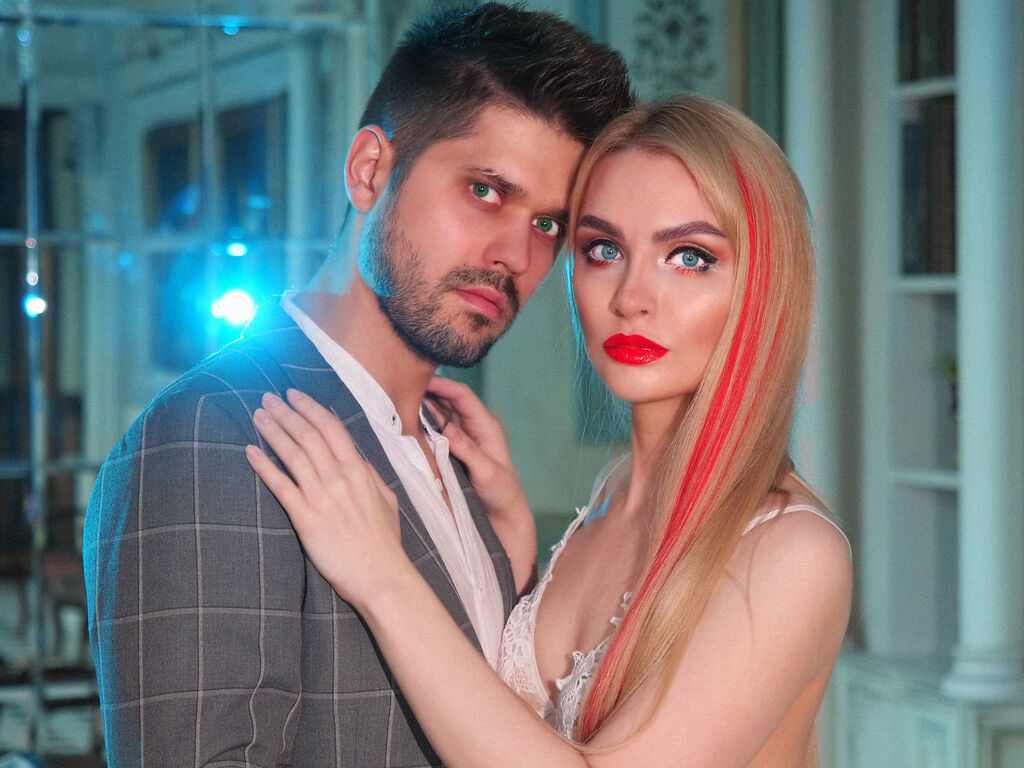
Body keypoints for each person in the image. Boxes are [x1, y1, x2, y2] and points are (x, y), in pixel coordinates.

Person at [82, 4, 633, 766]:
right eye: (485, 191)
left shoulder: (459, 461)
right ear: (370, 169)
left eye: (547, 225)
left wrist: (517, 571)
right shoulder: (213, 437)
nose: (515, 254)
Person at [245, 94, 853, 767]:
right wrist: (514, 556)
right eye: (603, 250)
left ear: (766, 285)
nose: (630, 297)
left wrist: (383, 578)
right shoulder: (613, 493)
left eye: (689, 257)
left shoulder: (794, 552)